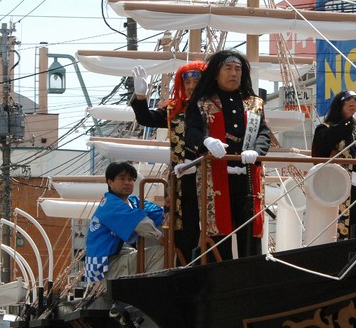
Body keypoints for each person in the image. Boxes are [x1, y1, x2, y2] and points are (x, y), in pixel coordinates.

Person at [184, 49, 272, 260]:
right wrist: (206, 141)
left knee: (250, 232)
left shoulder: (254, 103)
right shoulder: (201, 102)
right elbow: (192, 131)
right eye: (228, 68)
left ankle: (251, 274)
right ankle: (218, 277)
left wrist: (256, 150)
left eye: (238, 69)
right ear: (216, 73)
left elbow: (263, 132)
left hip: (248, 175)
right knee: (217, 232)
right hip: (216, 177)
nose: (234, 73)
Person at [131, 60, 206, 265]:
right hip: (181, 178)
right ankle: (183, 265)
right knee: (182, 227)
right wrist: (140, 96)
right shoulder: (174, 109)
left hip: (210, 177)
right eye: (186, 82)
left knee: (212, 225)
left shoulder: (213, 108)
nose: (191, 86)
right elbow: (145, 118)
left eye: (196, 81)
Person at [84, 161, 165, 284]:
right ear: (110, 182)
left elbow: (158, 213)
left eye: (131, 179)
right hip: (105, 268)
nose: (127, 182)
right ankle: (151, 289)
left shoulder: (134, 202)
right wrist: (161, 237)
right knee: (162, 251)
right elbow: (141, 223)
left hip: (118, 260)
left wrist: (168, 209)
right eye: (122, 178)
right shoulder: (109, 204)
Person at [311, 90, 356, 239]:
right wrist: (353, 120)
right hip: (337, 186)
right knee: (337, 230)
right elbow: (325, 145)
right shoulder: (325, 128)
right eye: (348, 103)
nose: (353, 104)